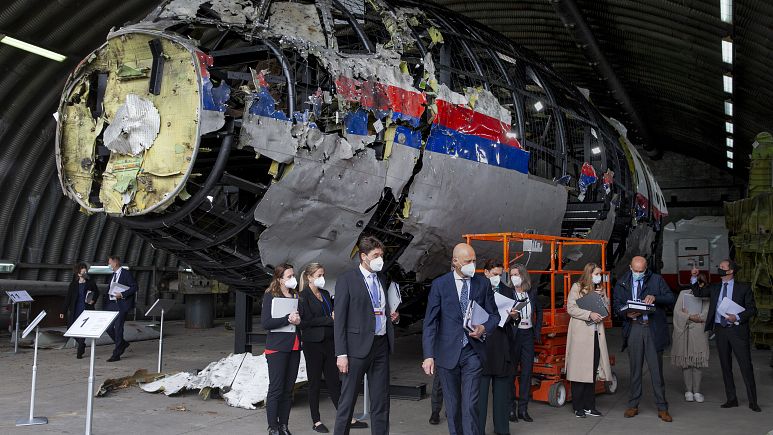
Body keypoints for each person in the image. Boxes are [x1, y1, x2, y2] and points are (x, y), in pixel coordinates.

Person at [422, 243, 499, 435]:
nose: (472, 265)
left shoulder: (482, 283)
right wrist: (429, 355)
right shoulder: (440, 284)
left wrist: (484, 328)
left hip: (473, 351)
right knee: (453, 406)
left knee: (470, 404)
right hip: (447, 353)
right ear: (455, 261)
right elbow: (430, 322)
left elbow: (495, 316)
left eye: (474, 261)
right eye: (468, 261)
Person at [333, 236, 399, 435]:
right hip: (355, 349)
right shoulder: (347, 280)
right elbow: (340, 320)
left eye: (381, 255)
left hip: (380, 345)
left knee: (381, 400)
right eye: (375, 255)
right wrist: (341, 353)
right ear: (363, 256)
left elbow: (378, 308)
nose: (380, 259)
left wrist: (391, 317)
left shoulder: (381, 278)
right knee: (347, 400)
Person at [298, 263, 367, 433]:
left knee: (334, 382)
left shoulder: (326, 294)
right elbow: (305, 322)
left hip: (330, 342)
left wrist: (332, 318)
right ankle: (316, 420)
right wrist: (330, 319)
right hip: (312, 344)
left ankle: (345, 417)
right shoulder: (303, 296)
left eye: (323, 274)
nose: (322, 278)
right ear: (309, 277)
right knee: (314, 382)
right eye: (319, 275)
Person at [690, 261, 760, 412]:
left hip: (737, 331)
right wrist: (694, 278)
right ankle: (731, 399)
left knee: (746, 366)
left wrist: (738, 317)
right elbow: (698, 293)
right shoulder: (715, 287)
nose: (719, 269)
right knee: (725, 366)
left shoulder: (743, 288)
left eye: (722, 268)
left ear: (731, 271)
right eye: (719, 267)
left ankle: (753, 401)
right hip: (720, 331)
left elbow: (752, 309)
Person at [612, 256, 674, 422]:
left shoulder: (657, 280)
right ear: (631, 268)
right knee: (635, 370)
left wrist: (655, 297)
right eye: (636, 271)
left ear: (646, 269)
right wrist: (626, 313)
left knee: (656, 372)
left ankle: (662, 408)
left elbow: (670, 298)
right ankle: (633, 405)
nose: (638, 273)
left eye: (642, 271)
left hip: (652, 329)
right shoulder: (622, 282)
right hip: (634, 328)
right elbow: (616, 305)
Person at [565, 263, 612, 418]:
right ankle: (578, 407)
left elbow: (607, 311)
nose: (599, 276)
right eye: (597, 273)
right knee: (579, 372)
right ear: (589, 274)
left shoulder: (601, 289)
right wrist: (589, 314)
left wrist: (603, 296)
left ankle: (590, 406)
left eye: (600, 274)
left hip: (596, 334)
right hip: (581, 336)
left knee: (592, 371)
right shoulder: (577, 287)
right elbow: (571, 308)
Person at [262, 263, 302, 435]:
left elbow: (300, 320)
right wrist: (287, 318)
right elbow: (266, 323)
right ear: (279, 279)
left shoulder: (295, 296)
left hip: (294, 347)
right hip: (277, 348)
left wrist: (299, 322)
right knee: (276, 388)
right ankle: (273, 427)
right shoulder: (270, 296)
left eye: (293, 275)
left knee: (288, 390)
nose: (293, 279)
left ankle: (284, 425)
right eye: (289, 276)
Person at [477, 259, 516, 435]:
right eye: (494, 275)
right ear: (485, 273)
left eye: (500, 275)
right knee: (479, 396)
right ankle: (477, 430)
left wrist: (514, 316)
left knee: (501, 395)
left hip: (501, 345)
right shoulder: (477, 288)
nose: (497, 278)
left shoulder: (508, 291)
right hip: (482, 344)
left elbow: (514, 318)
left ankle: (502, 429)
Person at [508, 263, 542, 423]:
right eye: (512, 275)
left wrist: (537, 330)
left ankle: (523, 408)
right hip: (514, 336)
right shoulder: (508, 293)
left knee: (527, 372)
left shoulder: (532, 292)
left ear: (523, 275)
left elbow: (539, 312)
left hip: (528, 334)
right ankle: (511, 408)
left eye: (516, 274)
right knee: (511, 372)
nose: (514, 277)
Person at [671, 271, 710, 403]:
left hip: (699, 332)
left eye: (701, 283)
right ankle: (688, 391)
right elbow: (677, 312)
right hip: (685, 331)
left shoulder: (707, 296)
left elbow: (706, 314)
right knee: (686, 362)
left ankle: (697, 391)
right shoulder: (683, 294)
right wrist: (689, 317)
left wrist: (691, 317)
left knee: (697, 362)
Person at [61, 262, 99, 359]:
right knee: (70, 328)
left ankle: (80, 347)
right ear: (78, 273)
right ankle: (81, 343)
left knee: (83, 329)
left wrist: (93, 300)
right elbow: (68, 298)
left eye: (85, 271)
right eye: (83, 271)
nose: (85, 273)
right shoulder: (73, 284)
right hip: (76, 309)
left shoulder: (90, 282)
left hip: (86, 309)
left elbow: (96, 292)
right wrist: (63, 311)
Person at [105, 256, 138, 362]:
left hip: (121, 304)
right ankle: (122, 344)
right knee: (108, 328)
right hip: (112, 304)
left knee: (118, 328)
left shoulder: (126, 274)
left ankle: (116, 354)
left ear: (115, 263)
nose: (109, 265)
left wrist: (122, 294)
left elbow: (134, 287)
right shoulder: (112, 275)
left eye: (110, 263)